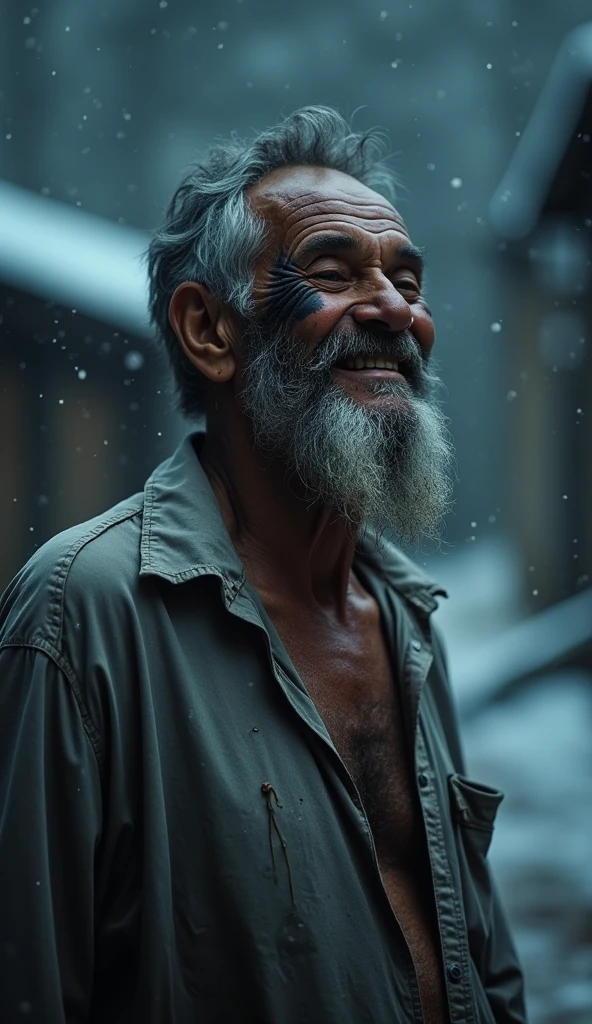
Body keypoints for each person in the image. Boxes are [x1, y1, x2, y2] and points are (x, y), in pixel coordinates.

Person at [0, 106, 526, 1024]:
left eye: (408, 280)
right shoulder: (82, 613)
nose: (397, 309)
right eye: (332, 272)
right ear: (209, 330)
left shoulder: (406, 620)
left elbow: (484, 961)